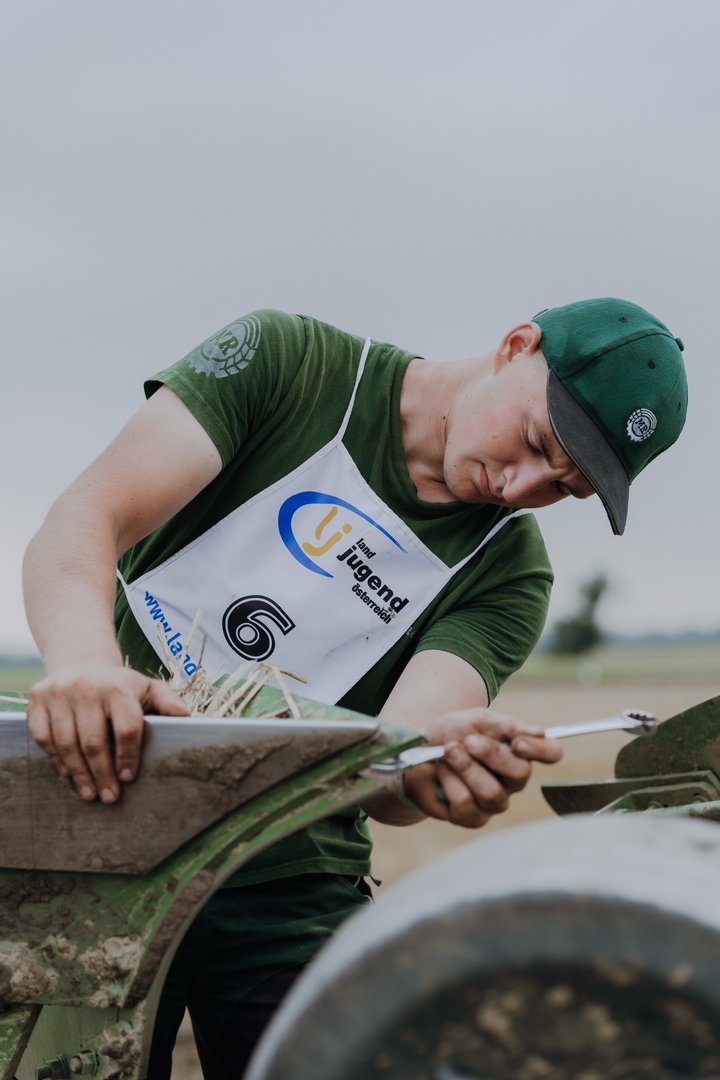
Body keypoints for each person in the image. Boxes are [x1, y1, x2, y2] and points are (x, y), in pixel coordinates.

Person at [23, 297, 687, 1077]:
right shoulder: (288, 366)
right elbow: (84, 520)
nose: (521, 486)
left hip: (288, 878)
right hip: (99, 821)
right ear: (517, 345)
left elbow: (392, 767)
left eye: (562, 487)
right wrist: (87, 667)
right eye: (540, 441)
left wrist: (436, 763)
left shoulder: (508, 574)